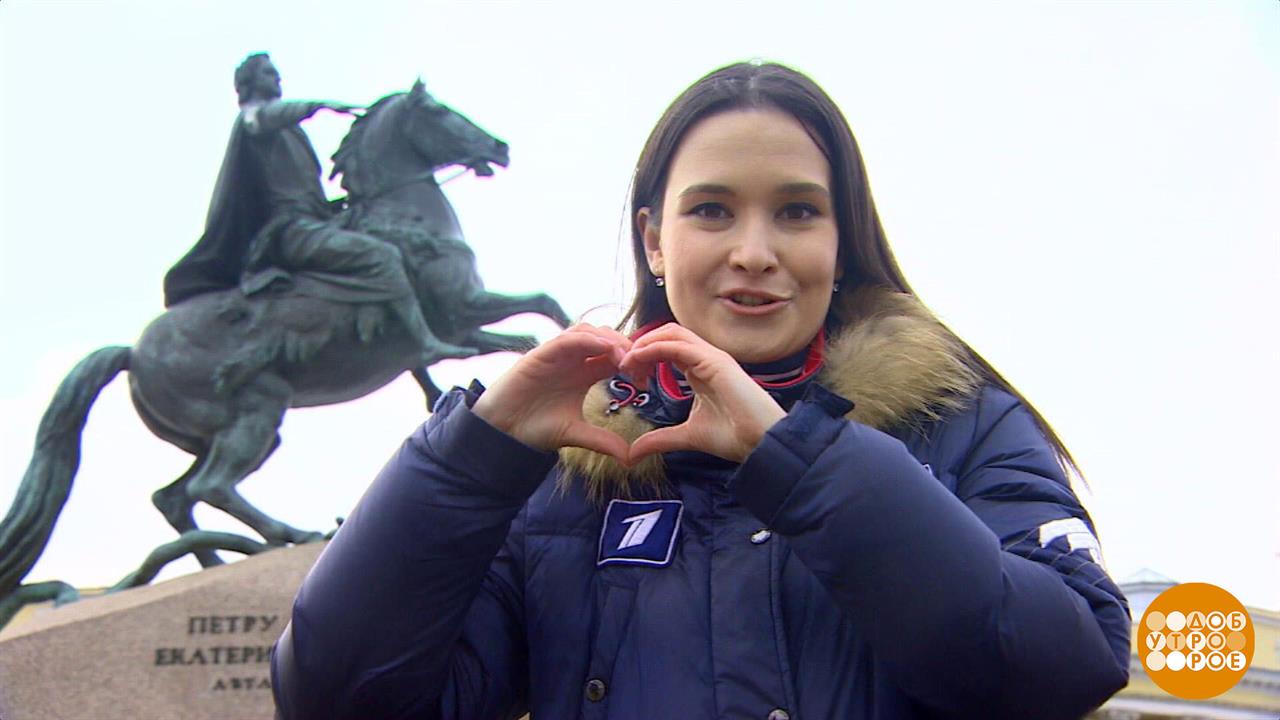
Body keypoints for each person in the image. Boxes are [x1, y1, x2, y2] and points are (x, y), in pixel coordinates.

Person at [271, 62, 1130, 720]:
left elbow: (1069, 664)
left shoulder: (964, 421)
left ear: (842, 241)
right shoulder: (565, 472)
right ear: (654, 240)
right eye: (712, 210)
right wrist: (469, 458)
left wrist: (804, 461)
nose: (754, 252)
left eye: (798, 212)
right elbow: (340, 700)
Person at [163, 52, 468, 362]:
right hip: (292, 232)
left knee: (395, 243)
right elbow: (262, 119)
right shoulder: (254, 119)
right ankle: (424, 343)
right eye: (268, 73)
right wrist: (316, 106)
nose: (277, 78)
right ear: (249, 84)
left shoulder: (290, 131)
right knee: (382, 257)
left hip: (316, 222)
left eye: (276, 73)